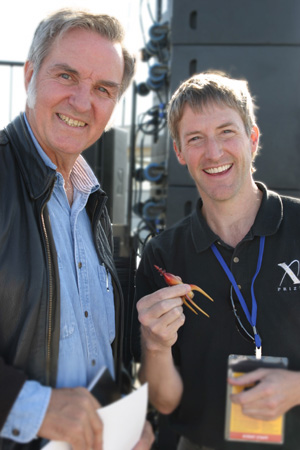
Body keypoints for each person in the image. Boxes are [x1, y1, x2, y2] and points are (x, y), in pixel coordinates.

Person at [0, 8, 154, 450]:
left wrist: (123, 417)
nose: (83, 102)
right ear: (30, 74)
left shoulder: (91, 201)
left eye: (103, 89)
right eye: (66, 76)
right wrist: (29, 406)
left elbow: (94, 346)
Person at [134, 71, 300, 449]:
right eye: (195, 139)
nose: (213, 152)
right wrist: (155, 346)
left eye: (226, 132)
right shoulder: (163, 256)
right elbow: (165, 401)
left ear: (252, 138)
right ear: (178, 152)